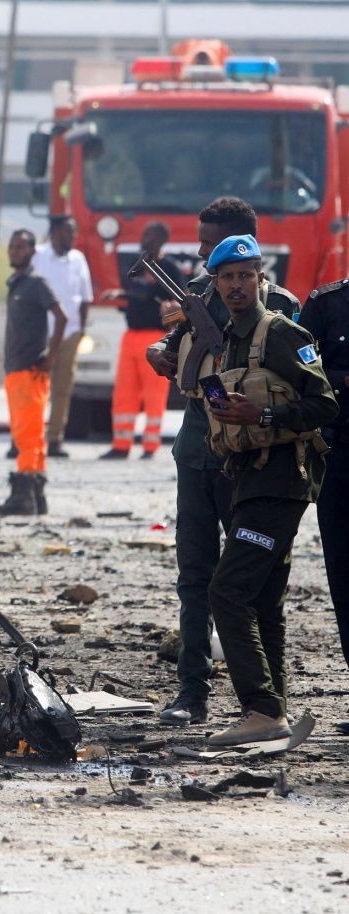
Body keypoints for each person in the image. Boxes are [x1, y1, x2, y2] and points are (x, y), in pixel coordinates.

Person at [146, 196, 301, 726]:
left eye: (210, 244)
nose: (201, 252)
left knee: (258, 585)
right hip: (196, 454)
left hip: (253, 463)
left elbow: (305, 390)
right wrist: (162, 356)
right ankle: (192, 692)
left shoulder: (281, 307)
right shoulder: (194, 296)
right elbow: (170, 346)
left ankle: (264, 699)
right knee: (194, 576)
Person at [200, 234, 335, 746]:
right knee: (262, 598)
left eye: (245, 275)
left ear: (261, 278)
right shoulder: (227, 341)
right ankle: (273, 708)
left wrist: (264, 414)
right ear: (215, 283)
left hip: (282, 483)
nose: (237, 285)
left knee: (226, 590)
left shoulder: (282, 334)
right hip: (247, 481)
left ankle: (259, 707)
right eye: (228, 277)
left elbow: (324, 406)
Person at [0, 229, 66, 515]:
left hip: (29, 369)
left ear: (33, 251)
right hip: (17, 369)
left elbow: (61, 315)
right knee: (29, 435)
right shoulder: (17, 283)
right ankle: (34, 495)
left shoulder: (36, 283)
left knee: (27, 435)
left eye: (20, 246)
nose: (14, 251)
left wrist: (51, 356)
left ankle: (23, 495)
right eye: (11, 246)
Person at [298, 278, 349, 670]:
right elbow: (298, 372)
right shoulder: (326, 303)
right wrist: (340, 380)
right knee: (344, 580)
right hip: (339, 456)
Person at [98, 221, 179, 459]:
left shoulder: (169, 267)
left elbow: (181, 299)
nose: (144, 239)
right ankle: (121, 444)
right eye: (144, 235)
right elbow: (137, 293)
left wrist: (171, 309)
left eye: (149, 236)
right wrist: (120, 294)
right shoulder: (136, 266)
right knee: (124, 393)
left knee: (153, 394)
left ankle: (149, 446)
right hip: (130, 336)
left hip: (155, 338)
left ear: (162, 239)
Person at [32, 215, 93, 458]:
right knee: (35, 389)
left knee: (62, 389)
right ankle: (28, 439)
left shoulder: (78, 259)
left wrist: (81, 331)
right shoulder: (37, 255)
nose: (73, 236)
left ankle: (55, 439)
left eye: (74, 232)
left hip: (69, 334)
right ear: (56, 231)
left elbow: (85, 297)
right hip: (40, 334)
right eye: (69, 231)